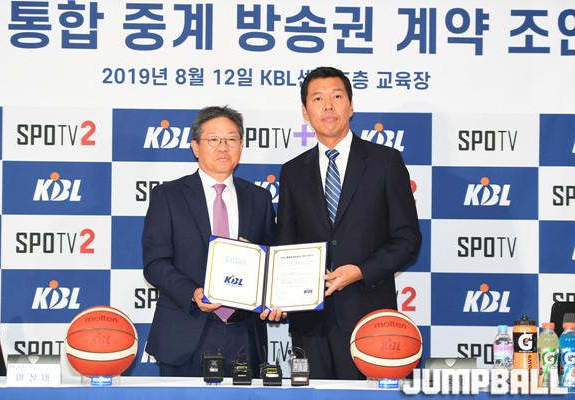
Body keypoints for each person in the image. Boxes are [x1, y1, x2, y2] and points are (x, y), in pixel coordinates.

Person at [276, 67, 421, 379]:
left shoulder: (385, 162)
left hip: (370, 323)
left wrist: (360, 271)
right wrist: (274, 290)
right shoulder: (292, 172)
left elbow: (407, 240)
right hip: (309, 324)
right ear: (305, 112)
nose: (328, 106)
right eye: (318, 99)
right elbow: (285, 243)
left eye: (337, 96)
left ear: (351, 106)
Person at [143, 105, 282, 377]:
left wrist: (273, 292)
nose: (223, 147)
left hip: (245, 335)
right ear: (195, 147)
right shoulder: (168, 196)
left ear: (241, 145)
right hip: (186, 332)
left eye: (231, 139)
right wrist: (193, 293)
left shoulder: (259, 199)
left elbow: (271, 262)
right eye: (213, 139)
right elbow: (155, 264)